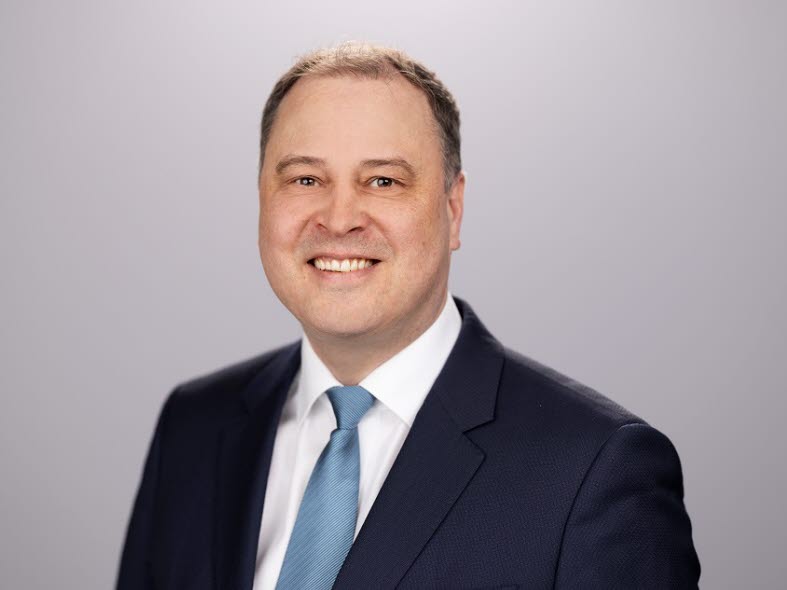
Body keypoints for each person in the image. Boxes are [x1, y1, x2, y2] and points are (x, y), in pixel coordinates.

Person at [117, 43, 700, 589]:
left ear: (453, 208)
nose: (339, 218)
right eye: (305, 179)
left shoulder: (594, 470)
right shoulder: (194, 426)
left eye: (383, 180)